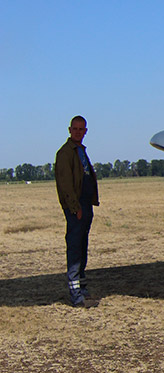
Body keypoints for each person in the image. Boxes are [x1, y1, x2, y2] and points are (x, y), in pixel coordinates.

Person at [55, 115, 100, 308]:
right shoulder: (65, 153)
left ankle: (82, 288)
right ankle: (76, 294)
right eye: (75, 129)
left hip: (85, 205)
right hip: (76, 207)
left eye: (81, 129)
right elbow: (65, 184)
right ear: (69, 130)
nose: (78, 132)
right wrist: (75, 207)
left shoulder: (81, 151)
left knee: (82, 246)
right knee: (75, 248)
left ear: (86, 131)